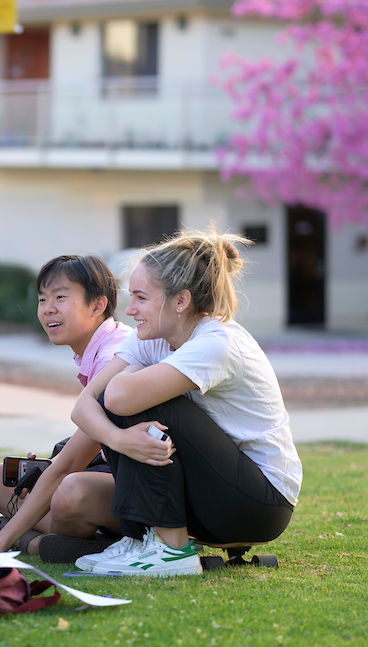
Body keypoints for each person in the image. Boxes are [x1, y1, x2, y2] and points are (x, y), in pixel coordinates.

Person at [71, 227, 302, 577]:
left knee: (141, 401)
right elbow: (83, 407)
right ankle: (143, 541)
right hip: (212, 493)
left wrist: (122, 407)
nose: (130, 310)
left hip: (260, 503)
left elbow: (115, 397)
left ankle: (172, 551)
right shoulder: (152, 336)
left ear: (180, 301)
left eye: (141, 298)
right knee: (128, 401)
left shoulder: (217, 343)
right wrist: (119, 440)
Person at [0, 254, 132, 563]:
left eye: (60, 297)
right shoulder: (94, 352)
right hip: (106, 472)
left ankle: (32, 541)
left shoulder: (116, 355)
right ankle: (54, 540)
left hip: (141, 482)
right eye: (42, 299)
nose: (48, 308)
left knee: (69, 493)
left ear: (98, 305)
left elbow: (72, 461)